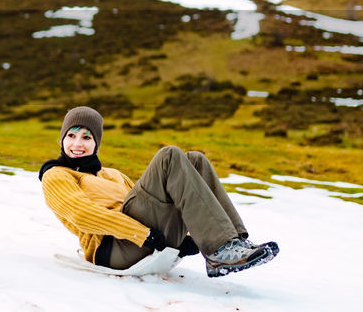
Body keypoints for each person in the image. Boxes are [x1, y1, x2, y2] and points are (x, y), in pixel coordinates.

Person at [38, 106, 278, 277]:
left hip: (144, 238)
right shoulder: (57, 174)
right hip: (112, 248)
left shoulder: (110, 174)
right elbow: (83, 215)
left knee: (195, 160)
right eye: (71, 135)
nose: (77, 143)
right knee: (169, 156)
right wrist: (141, 234)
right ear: (62, 139)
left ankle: (233, 243)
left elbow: (148, 204)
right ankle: (221, 250)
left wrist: (182, 241)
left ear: (96, 142)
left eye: (86, 137)